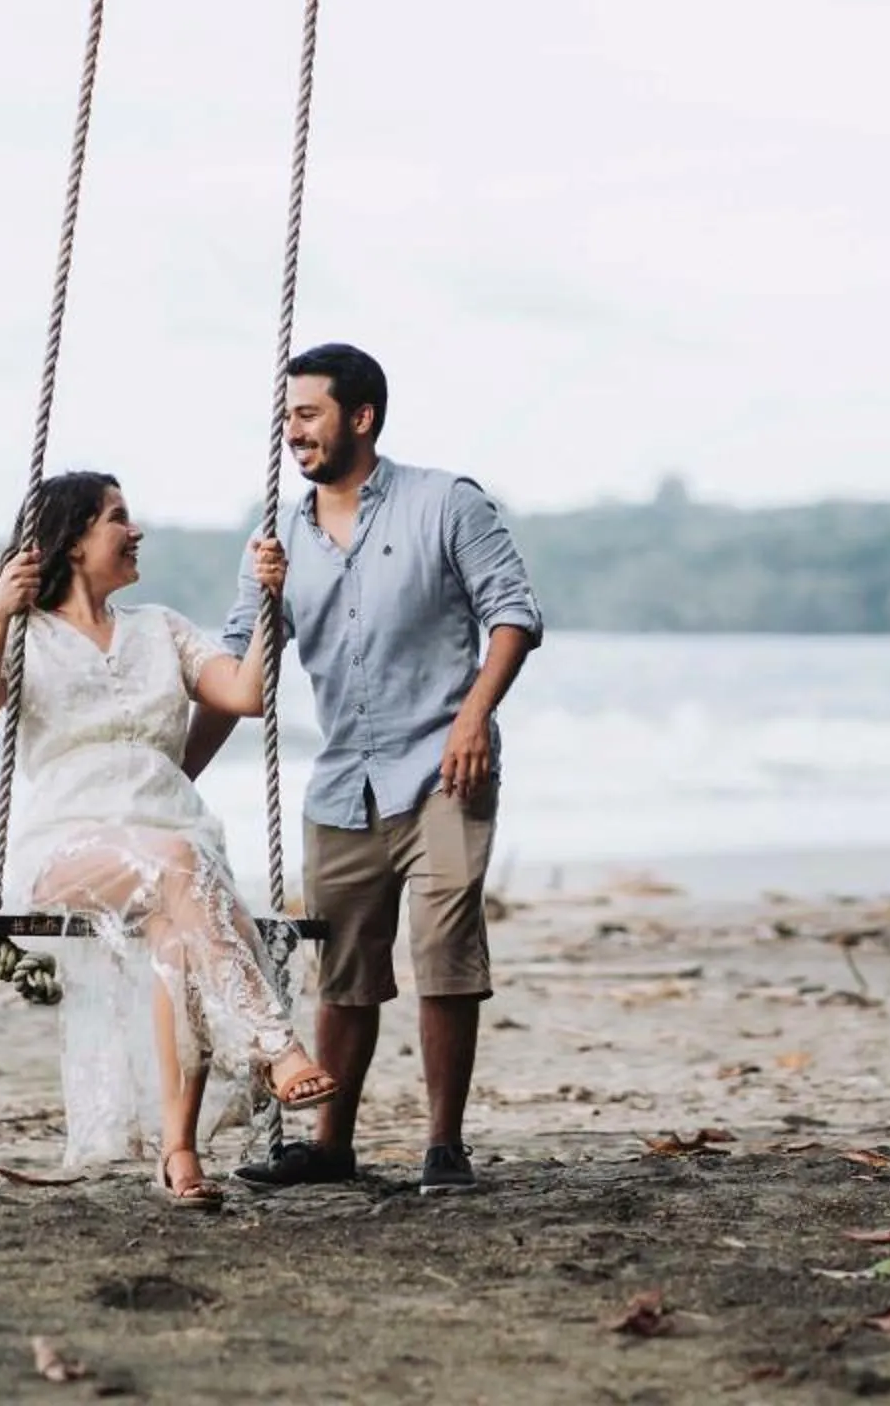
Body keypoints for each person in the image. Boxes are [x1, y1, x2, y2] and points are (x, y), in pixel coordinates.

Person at [0, 470, 337, 1205]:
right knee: (179, 870)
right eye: (117, 518)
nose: (136, 531)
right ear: (71, 541)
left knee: (176, 932)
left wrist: (268, 600)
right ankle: (275, 1046)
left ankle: (180, 1154)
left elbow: (247, 694)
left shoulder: (160, 628)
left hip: (175, 843)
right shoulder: (25, 636)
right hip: (71, 848)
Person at [225, 344, 542, 1196]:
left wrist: (475, 717)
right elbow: (237, 669)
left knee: (444, 950)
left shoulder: (447, 503)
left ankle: (444, 1146)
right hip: (342, 786)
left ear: (360, 418)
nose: (291, 431)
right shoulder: (278, 537)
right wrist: (174, 766)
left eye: (307, 414)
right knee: (346, 971)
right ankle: (332, 1146)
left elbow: (514, 615)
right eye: (286, 416)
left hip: (444, 768)